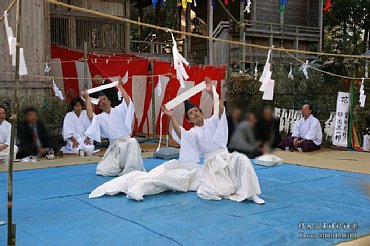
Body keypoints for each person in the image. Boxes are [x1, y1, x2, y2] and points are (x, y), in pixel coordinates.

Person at [90, 77, 264, 204]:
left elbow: (219, 111)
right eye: (191, 114)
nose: (194, 114)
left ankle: (252, 193)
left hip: (226, 157)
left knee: (242, 159)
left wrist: (212, 93)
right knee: (216, 190)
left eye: (196, 111)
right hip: (212, 164)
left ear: (201, 112)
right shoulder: (193, 132)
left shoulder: (212, 122)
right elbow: (181, 134)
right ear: (189, 120)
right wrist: (171, 117)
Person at [84, 76, 144, 176]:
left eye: (104, 99)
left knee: (133, 142)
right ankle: (123, 167)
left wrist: (121, 87)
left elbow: (128, 102)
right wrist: (87, 99)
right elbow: (90, 115)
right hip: (114, 148)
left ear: (109, 101)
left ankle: (131, 171)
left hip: (127, 143)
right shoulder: (100, 118)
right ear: (99, 106)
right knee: (102, 170)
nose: (103, 101)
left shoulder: (118, 110)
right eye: (100, 101)